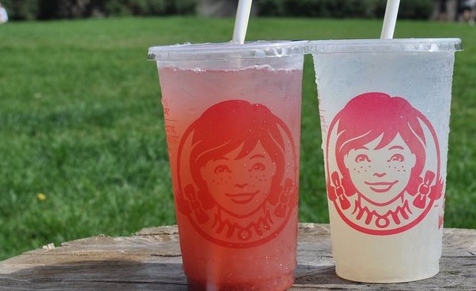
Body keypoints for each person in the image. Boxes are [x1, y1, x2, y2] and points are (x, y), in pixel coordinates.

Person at [177, 100, 297, 245]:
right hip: (203, 260)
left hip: (278, 257)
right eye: (222, 169)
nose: (241, 182)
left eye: (257, 167)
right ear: (202, 172)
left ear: (275, 167)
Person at [326, 92, 444, 233]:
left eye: (396, 157)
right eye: (362, 158)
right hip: (348, 245)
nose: (379, 172)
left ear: (414, 158)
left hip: (417, 246)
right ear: (345, 160)